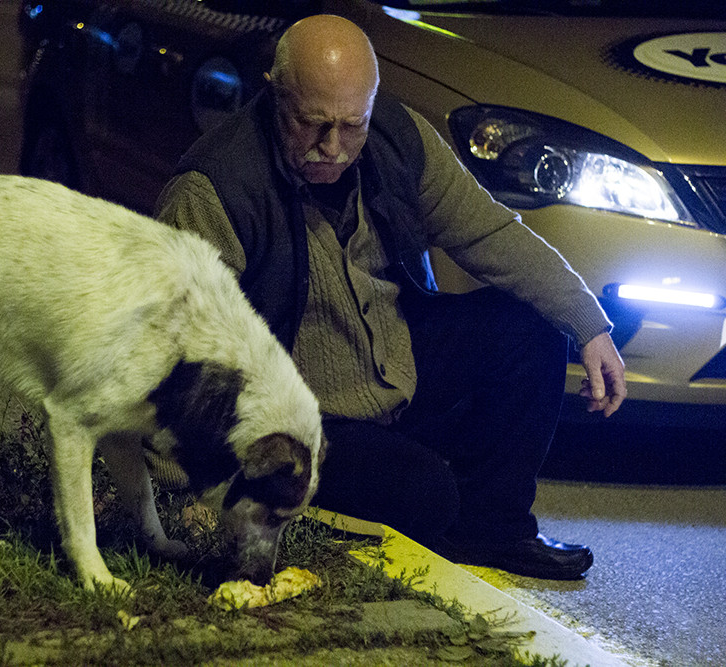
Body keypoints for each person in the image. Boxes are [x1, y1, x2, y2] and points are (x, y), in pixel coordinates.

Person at [155, 14, 626, 580]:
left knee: (532, 330)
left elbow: (490, 233)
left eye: (352, 125)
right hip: (306, 420)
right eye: (311, 124)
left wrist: (588, 323)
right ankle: (402, 506)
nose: (333, 148)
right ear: (273, 91)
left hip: (394, 367)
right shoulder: (215, 189)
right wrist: (191, 494)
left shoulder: (399, 139)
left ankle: (496, 529)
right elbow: (174, 359)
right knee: (425, 494)